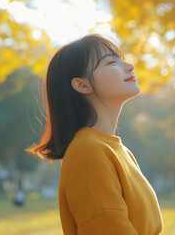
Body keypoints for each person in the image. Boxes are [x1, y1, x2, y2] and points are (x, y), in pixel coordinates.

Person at [25, 34, 164, 234]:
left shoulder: (117, 150)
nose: (129, 66)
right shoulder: (87, 151)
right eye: (111, 62)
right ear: (82, 85)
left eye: (121, 58)